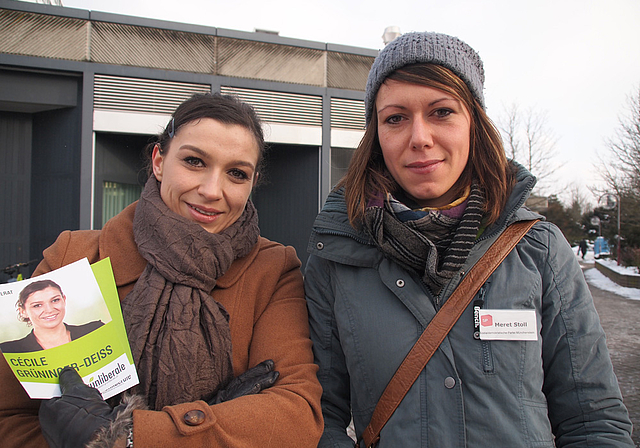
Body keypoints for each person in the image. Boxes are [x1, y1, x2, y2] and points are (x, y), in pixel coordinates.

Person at [304, 32, 633, 447]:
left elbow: (594, 422)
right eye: (395, 118)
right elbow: (319, 420)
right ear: (376, 136)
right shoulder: (337, 256)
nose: (419, 137)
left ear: (474, 123)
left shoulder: (540, 250)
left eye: (441, 112)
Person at [0, 93, 323, 448]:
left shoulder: (272, 270)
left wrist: (132, 438)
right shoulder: (74, 257)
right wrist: (216, 427)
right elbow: (10, 417)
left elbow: (297, 415)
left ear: (252, 182)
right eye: (195, 161)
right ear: (158, 160)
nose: (212, 190)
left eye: (236, 173)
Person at [0, 279, 103, 353]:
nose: (49, 310)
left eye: (55, 300)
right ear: (23, 312)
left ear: (64, 300)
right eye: (37, 305)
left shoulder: (95, 330)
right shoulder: (9, 350)